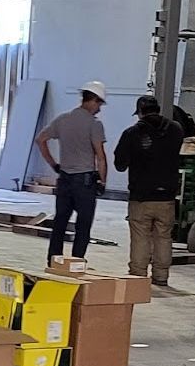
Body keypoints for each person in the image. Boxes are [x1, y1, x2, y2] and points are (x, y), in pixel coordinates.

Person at [113, 94, 184, 288]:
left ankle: (138, 275)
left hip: (141, 196)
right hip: (167, 196)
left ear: (140, 113)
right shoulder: (176, 130)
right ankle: (161, 276)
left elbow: (120, 164)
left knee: (140, 236)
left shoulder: (132, 133)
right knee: (163, 237)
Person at [36, 82, 108, 266]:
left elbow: (40, 140)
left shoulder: (62, 120)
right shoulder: (94, 124)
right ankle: (76, 263)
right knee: (83, 225)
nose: (99, 109)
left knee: (60, 222)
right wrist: (102, 181)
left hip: (65, 180)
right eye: (99, 104)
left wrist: (54, 164)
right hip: (84, 182)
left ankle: (54, 261)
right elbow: (100, 156)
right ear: (93, 100)